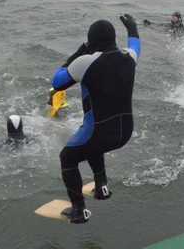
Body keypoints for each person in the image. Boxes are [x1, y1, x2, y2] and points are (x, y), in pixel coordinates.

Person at [51, 14, 141, 223]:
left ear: (91, 42)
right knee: (92, 145)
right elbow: (136, 45)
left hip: (98, 134)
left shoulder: (85, 62)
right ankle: (102, 187)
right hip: (124, 132)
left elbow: (57, 82)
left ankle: (79, 210)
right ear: (113, 39)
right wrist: (133, 28)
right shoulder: (129, 57)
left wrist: (78, 53)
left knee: (68, 157)